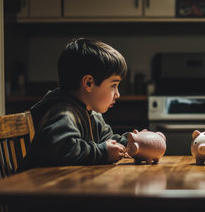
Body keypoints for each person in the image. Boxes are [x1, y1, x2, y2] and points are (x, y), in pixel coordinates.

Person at [20, 38, 129, 170]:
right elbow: (61, 149)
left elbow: (107, 140)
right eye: (114, 85)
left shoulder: (92, 114)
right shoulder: (62, 113)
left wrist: (133, 142)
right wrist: (103, 152)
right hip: (38, 188)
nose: (117, 94)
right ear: (89, 83)